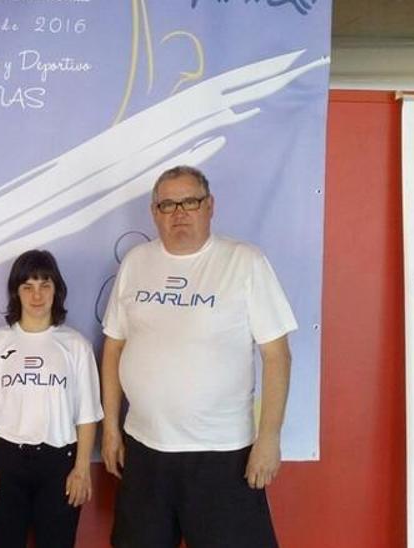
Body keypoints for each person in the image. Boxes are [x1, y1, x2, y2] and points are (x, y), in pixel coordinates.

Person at [100, 165, 297, 548]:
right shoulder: (136, 263)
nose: (179, 213)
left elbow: (277, 356)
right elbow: (113, 346)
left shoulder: (245, 262)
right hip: (145, 449)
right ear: (154, 212)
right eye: (168, 204)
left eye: (190, 202)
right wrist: (111, 427)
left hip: (221, 454)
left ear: (210, 206)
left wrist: (269, 438)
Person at [0, 250, 104, 548]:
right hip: (5, 462)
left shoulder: (76, 345)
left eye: (45, 285)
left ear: (57, 290)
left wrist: (82, 469)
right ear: (16, 293)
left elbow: (88, 414)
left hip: (60, 465)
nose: (37, 295)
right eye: (27, 287)